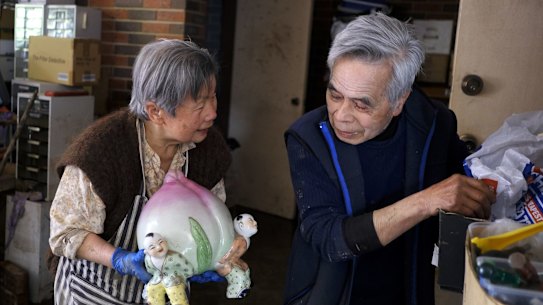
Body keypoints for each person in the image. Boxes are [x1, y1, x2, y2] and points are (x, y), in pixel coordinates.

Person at [282, 13, 496, 305]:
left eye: (361, 104)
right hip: (330, 291)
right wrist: (425, 201)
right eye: (335, 95)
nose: (341, 115)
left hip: (407, 288)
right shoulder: (308, 138)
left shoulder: (434, 125)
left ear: (399, 102)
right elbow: (327, 238)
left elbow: (465, 185)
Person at [48, 39, 231, 305]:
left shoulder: (208, 147)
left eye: (213, 96)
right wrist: (119, 259)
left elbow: (214, 216)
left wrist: (219, 253)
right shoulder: (101, 149)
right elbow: (66, 232)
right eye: (200, 104)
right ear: (155, 111)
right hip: (93, 293)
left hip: (167, 293)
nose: (213, 113)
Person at [143, 232, 193, 305]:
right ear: (147, 252)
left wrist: (182, 277)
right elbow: (150, 270)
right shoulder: (148, 260)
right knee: (151, 290)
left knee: (175, 292)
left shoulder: (174, 257)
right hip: (157, 279)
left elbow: (188, 269)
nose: (159, 247)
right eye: (152, 247)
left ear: (166, 242)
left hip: (174, 279)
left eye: (160, 242)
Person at [216, 213, 258, 298]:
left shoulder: (245, 238)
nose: (255, 222)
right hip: (226, 262)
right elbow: (230, 252)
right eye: (251, 221)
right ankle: (234, 292)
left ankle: (245, 285)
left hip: (234, 259)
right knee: (239, 275)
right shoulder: (239, 240)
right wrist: (222, 261)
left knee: (245, 267)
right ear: (241, 226)